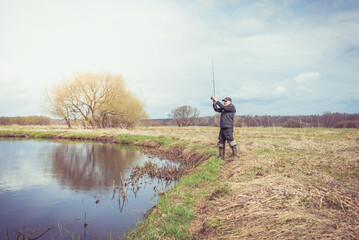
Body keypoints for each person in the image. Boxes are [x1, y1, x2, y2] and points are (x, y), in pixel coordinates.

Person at [212, 96, 238, 160]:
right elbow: (217, 109)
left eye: (226, 101)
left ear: (230, 102)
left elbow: (224, 107)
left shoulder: (231, 107)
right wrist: (214, 103)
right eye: (224, 101)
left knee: (231, 142)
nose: (224, 102)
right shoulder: (224, 108)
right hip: (222, 127)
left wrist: (217, 101)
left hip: (228, 127)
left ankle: (235, 156)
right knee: (220, 142)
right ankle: (221, 157)